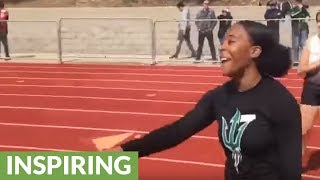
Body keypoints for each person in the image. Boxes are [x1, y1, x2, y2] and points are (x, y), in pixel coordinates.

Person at [109, 21, 302, 179]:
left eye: (231, 41)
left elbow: (291, 171)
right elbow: (177, 131)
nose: (222, 46)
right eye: (224, 41)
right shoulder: (219, 97)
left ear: (254, 51)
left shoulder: (280, 103)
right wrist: (124, 152)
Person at [298, 11, 320, 158]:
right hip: (312, 89)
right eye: (318, 21)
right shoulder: (312, 42)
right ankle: (296, 162)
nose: (319, 24)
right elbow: (301, 70)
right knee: (303, 129)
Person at [290, 0, 310, 65]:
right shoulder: (293, 9)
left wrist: (307, 17)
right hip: (296, 27)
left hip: (303, 27)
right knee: (295, 44)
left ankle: (302, 59)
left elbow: (307, 15)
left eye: (300, 1)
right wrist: (298, 8)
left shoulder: (303, 9)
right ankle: (295, 60)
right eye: (298, 2)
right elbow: (292, 15)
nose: (299, 3)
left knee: (303, 44)